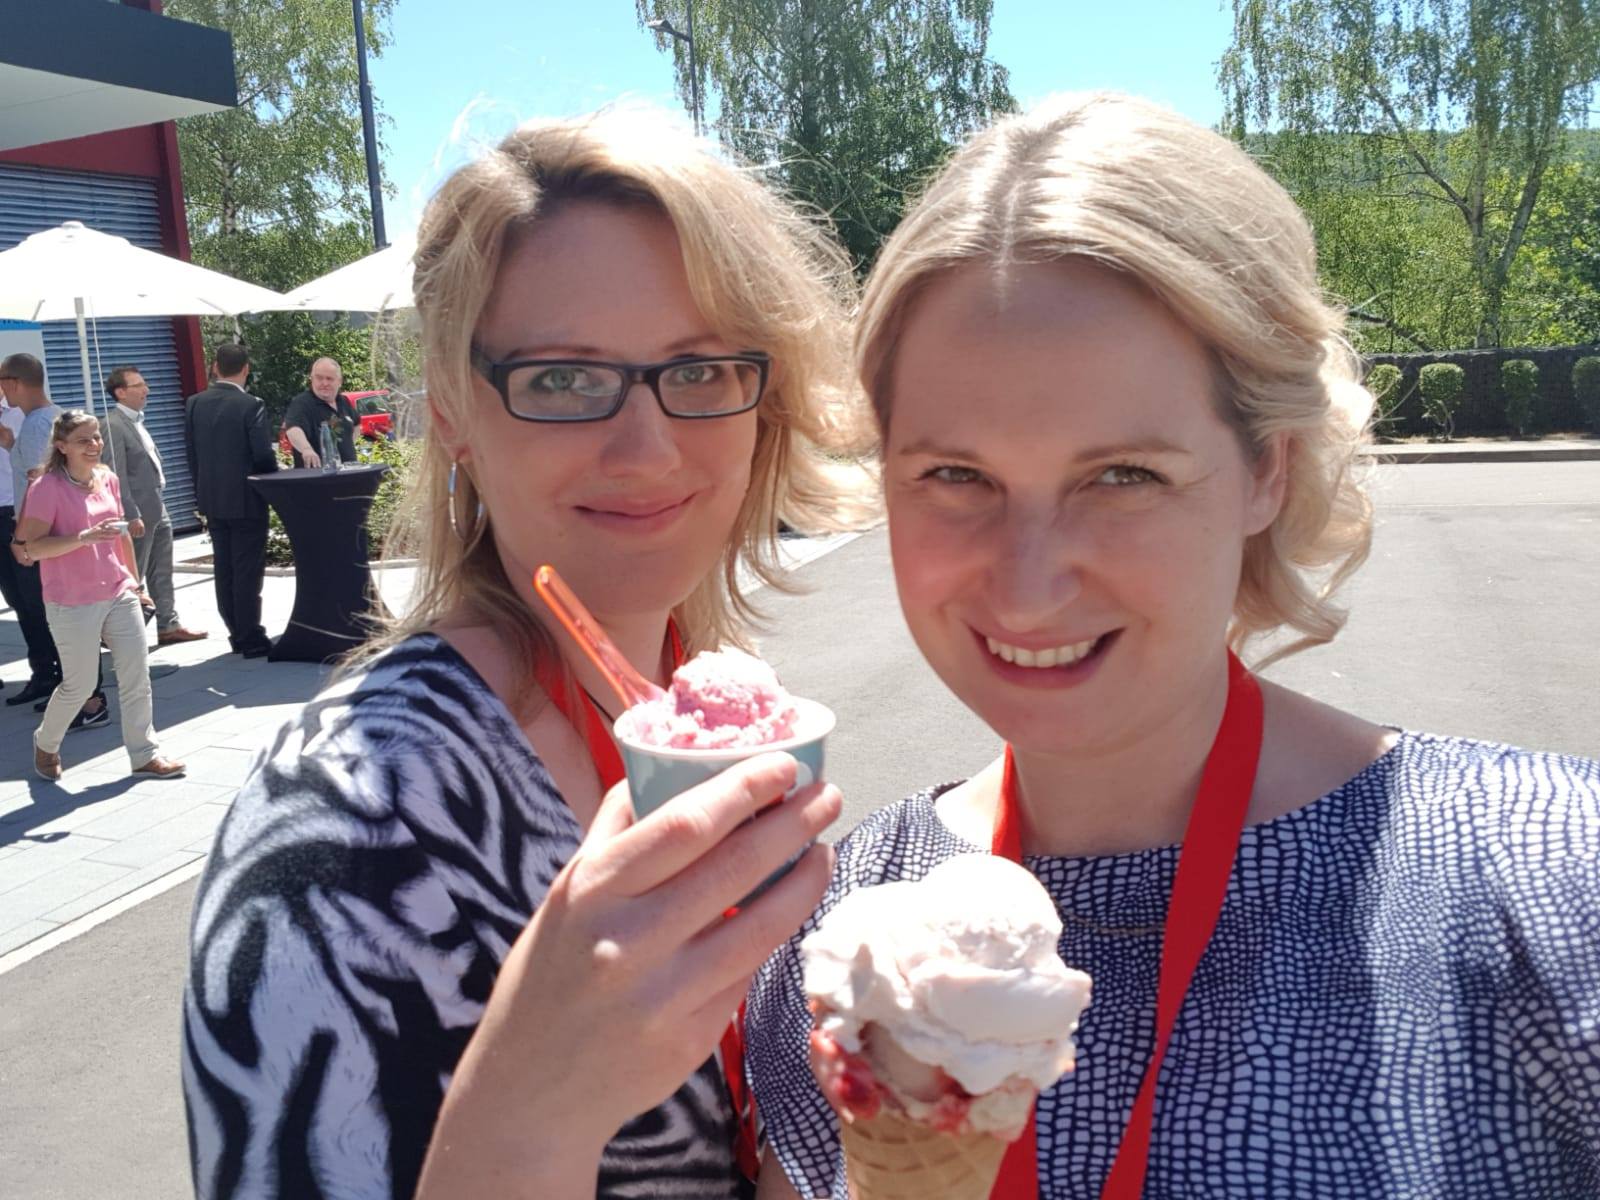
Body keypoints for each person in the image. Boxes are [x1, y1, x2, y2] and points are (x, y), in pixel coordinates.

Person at [746, 93, 1600, 1199]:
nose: (1028, 582)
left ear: (1266, 469)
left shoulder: (1551, 882)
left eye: (1123, 475)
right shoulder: (835, 927)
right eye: (955, 474)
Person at [181, 107, 869, 1199]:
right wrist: (530, 1101)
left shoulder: (709, 713)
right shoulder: (342, 829)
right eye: (560, 378)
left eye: (699, 370)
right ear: (454, 411)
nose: (646, 449)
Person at [15, 409, 184, 780]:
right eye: (83, 440)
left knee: (136, 676)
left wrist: (135, 584)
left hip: (118, 591)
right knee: (79, 686)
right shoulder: (46, 487)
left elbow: (121, 536)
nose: (94, 445)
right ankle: (46, 741)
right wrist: (83, 538)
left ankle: (144, 754)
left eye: (96, 437)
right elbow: (32, 548)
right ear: (62, 447)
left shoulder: (107, 478)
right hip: (70, 600)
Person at [2, 352, 110, 728]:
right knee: (62, 617)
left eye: (1, 382)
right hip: (60, 535)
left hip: (48, 538)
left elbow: (40, 488)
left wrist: (22, 540)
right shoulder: (50, 419)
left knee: (64, 618)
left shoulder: (37, 425)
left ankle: (89, 700)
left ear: (13, 383)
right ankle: (81, 695)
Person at [184, 343, 278, 657]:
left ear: (214, 367)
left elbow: (192, 454)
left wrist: (201, 491)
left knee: (224, 567)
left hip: (212, 498)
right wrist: (272, 478)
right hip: (246, 498)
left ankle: (235, 631)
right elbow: (262, 454)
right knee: (247, 569)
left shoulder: (194, 403)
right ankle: (250, 636)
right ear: (246, 369)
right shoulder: (251, 404)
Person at [103, 365, 208, 646]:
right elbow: (115, 474)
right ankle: (121, 632)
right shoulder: (113, 425)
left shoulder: (137, 421)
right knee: (133, 573)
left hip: (156, 505)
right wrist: (130, 513)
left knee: (162, 569)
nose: (146, 390)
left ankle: (168, 624)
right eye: (138, 385)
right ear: (120, 392)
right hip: (137, 511)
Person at [282, 356, 358, 469]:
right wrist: (306, 449)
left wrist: (348, 446)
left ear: (340, 381)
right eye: (319, 378)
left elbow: (357, 423)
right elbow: (293, 429)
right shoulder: (302, 403)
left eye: (329, 378)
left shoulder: (343, 401)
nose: (324, 383)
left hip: (349, 473)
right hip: (317, 476)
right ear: (312, 379)